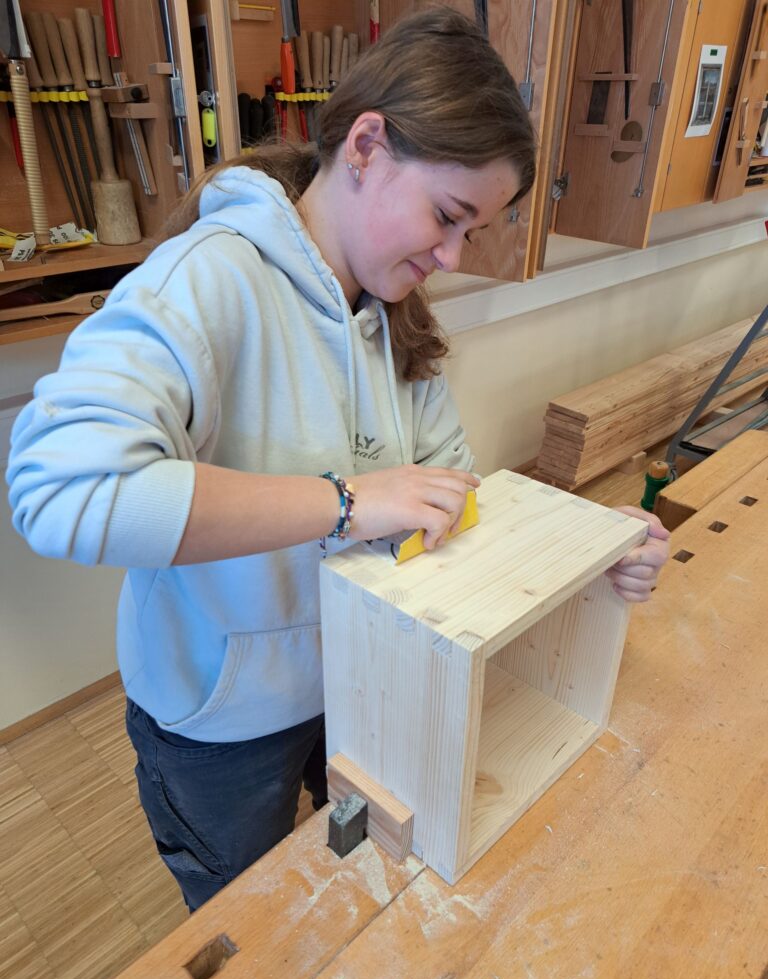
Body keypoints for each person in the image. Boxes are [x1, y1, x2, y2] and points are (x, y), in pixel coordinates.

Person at [6, 8, 669, 912]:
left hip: (359, 676)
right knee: (250, 919)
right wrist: (349, 502)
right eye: (448, 216)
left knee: (357, 885)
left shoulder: (395, 315)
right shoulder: (209, 279)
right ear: (365, 147)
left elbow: (451, 503)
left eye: (472, 231)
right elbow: (62, 490)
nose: (451, 255)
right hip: (222, 721)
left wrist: (588, 549)